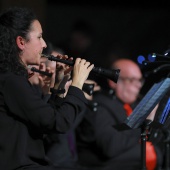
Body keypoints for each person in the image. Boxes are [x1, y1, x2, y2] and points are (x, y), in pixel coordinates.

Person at [0, 6, 94, 170]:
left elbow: (45, 122)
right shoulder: (12, 82)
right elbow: (60, 123)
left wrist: (58, 84)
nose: (44, 44)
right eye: (39, 37)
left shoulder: (14, 79)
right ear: (21, 42)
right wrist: (77, 85)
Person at [75, 58, 163, 170]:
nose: (138, 86)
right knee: (149, 153)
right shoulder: (101, 106)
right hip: (97, 165)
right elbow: (112, 147)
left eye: (140, 80)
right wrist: (143, 121)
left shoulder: (132, 105)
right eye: (132, 80)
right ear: (113, 81)